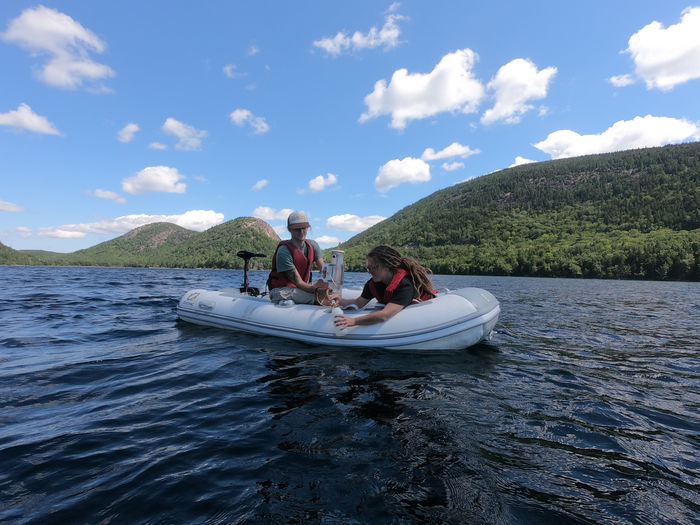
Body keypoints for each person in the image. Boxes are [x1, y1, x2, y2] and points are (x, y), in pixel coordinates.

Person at [330, 245, 437, 330]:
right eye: (369, 268)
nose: (370, 272)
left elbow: (384, 315)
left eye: (374, 267)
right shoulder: (374, 283)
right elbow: (359, 302)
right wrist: (340, 300)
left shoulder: (405, 285)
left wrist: (354, 321)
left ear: (387, 266)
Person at [268, 211, 326, 305]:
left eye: (304, 228)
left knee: (327, 284)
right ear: (289, 229)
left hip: (300, 287)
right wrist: (318, 290)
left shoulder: (312, 245)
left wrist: (331, 272)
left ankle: (349, 304)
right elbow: (299, 283)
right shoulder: (284, 251)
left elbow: (323, 269)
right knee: (321, 297)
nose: (301, 231)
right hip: (282, 289)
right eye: (297, 229)